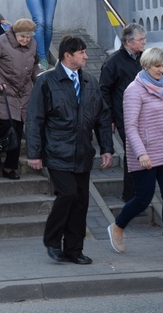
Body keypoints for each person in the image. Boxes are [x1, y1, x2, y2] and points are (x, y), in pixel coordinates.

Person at [25, 36, 113, 264]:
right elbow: (34, 119)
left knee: (81, 201)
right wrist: (34, 153)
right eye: (82, 52)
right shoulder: (46, 82)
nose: (86, 56)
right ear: (67, 55)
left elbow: (102, 117)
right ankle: (52, 241)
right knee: (68, 194)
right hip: (57, 152)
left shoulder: (90, 82)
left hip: (82, 153)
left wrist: (107, 148)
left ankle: (74, 250)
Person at [107, 47, 163, 257]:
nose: (161, 70)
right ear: (146, 65)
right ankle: (118, 226)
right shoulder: (134, 90)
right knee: (143, 198)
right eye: (157, 66)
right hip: (145, 154)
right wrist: (141, 153)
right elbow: (130, 126)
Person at [0, 19, 40, 179]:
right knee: (8, 124)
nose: (26, 40)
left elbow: (35, 64)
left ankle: (9, 168)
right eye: (23, 37)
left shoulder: (33, 44)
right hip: (4, 89)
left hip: (24, 91)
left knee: (18, 128)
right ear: (15, 33)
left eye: (28, 37)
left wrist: (39, 78)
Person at [100, 23, 147, 202]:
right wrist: (109, 117)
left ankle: (139, 193)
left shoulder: (144, 59)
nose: (144, 42)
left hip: (145, 114)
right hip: (124, 116)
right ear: (128, 41)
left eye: (144, 39)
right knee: (133, 151)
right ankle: (130, 195)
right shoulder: (113, 62)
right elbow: (104, 91)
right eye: (140, 40)